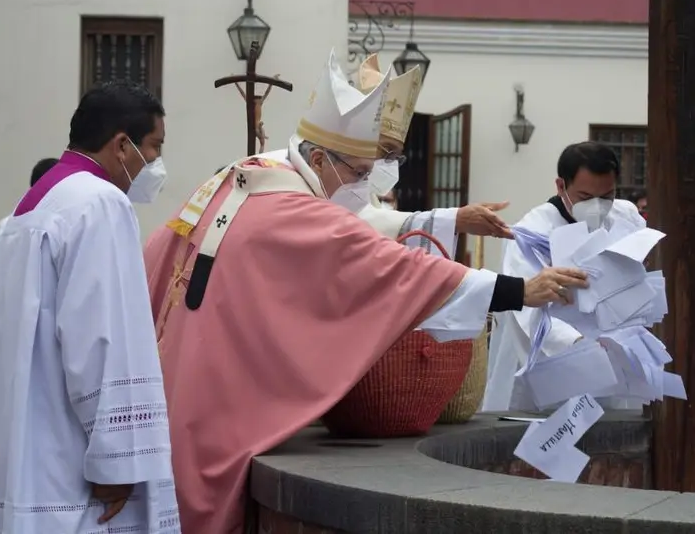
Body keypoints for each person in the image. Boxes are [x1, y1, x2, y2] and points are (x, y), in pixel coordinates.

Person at [142, 50, 587, 533]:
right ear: (317, 158)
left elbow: (157, 252)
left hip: (179, 359)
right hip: (224, 391)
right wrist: (521, 290)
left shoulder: (238, 176)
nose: (364, 185)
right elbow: (398, 269)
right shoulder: (301, 210)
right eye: (358, 173)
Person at [0, 81, 180, 533]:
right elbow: (103, 336)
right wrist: (117, 460)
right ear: (122, 145)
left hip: (23, 445)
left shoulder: (23, 212)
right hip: (71, 466)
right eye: (154, 147)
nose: (157, 164)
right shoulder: (99, 203)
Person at [237, 53, 512, 257]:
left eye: (396, 156)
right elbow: (350, 227)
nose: (386, 165)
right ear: (320, 160)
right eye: (384, 152)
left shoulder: (342, 185)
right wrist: (455, 219)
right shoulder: (284, 183)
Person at [482, 141, 647, 413]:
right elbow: (525, 308)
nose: (597, 207)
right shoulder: (530, 234)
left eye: (606, 197)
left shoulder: (625, 216)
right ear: (561, 186)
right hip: (555, 357)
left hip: (614, 349)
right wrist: (578, 343)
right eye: (584, 198)